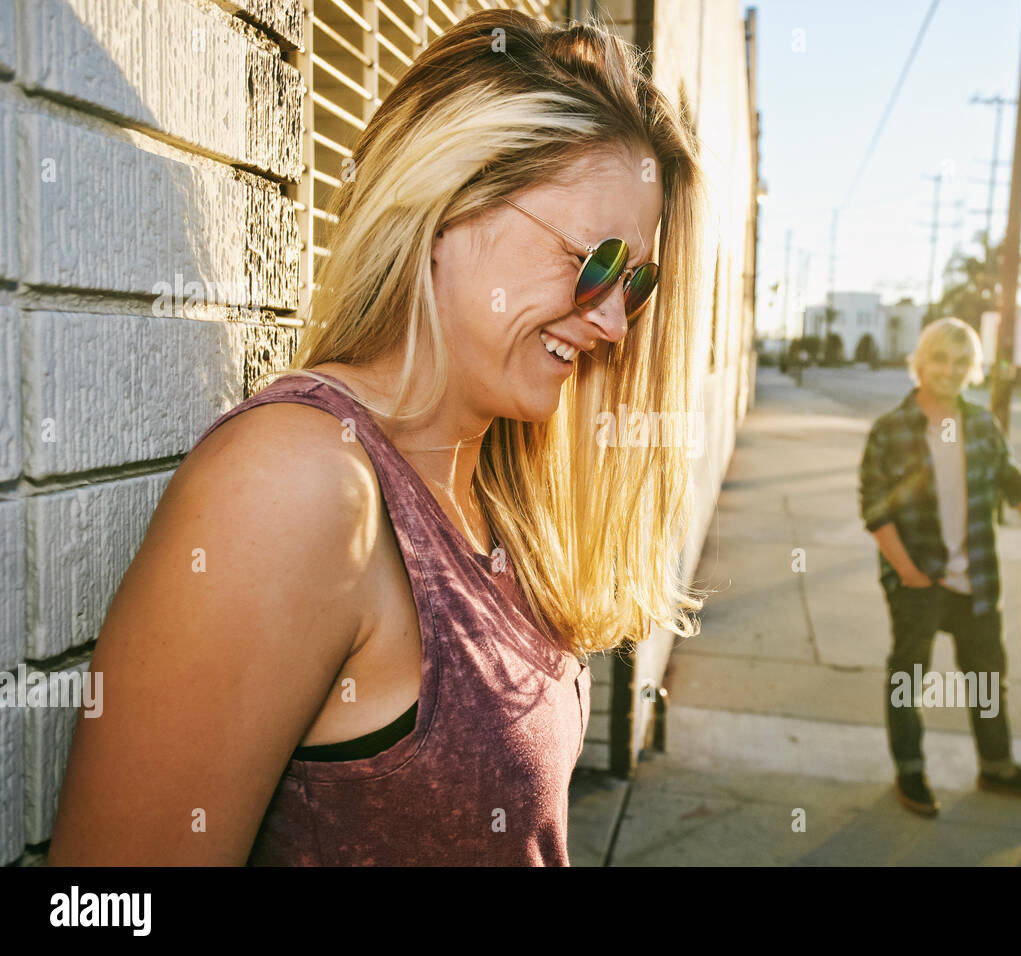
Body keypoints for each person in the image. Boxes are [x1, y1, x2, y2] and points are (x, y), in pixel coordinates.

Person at [48, 9, 709, 865]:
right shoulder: (295, 487)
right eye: (593, 262)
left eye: (637, 281)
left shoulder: (497, 482)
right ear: (444, 210)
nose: (616, 321)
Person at [857, 318, 1021, 817]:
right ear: (920, 363)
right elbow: (875, 509)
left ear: (972, 369)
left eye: (961, 362)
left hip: (976, 579)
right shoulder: (891, 430)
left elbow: (1015, 483)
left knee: (986, 677)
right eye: (940, 359)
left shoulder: (980, 426)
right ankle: (910, 770)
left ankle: (996, 765)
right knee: (907, 678)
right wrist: (908, 572)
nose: (950, 371)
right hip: (917, 581)